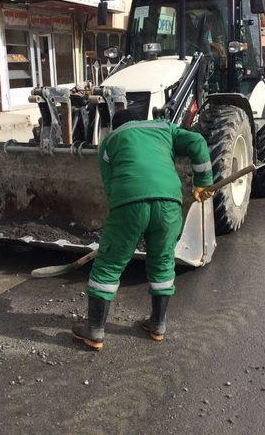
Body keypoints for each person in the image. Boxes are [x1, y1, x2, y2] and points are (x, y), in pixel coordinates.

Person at [72, 110, 214, 350]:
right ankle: (158, 326)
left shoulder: (109, 142)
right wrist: (204, 181)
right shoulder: (164, 128)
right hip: (169, 204)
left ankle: (95, 331)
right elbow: (197, 141)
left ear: (116, 126)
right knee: (162, 261)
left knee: (109, 265)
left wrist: (124, 222)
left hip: (129, 204)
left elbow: (110, 186)